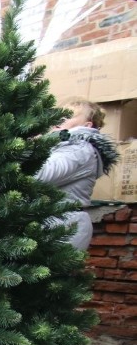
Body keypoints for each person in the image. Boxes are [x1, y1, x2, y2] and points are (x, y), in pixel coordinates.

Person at [37, 98, 119, 251]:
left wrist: (28, 150)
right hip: (51, 222)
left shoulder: (79, 148)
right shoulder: (60, 147)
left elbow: (40, 175)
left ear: (87, 125)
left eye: (69, 116)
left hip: (62, 227)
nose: (60, 120)